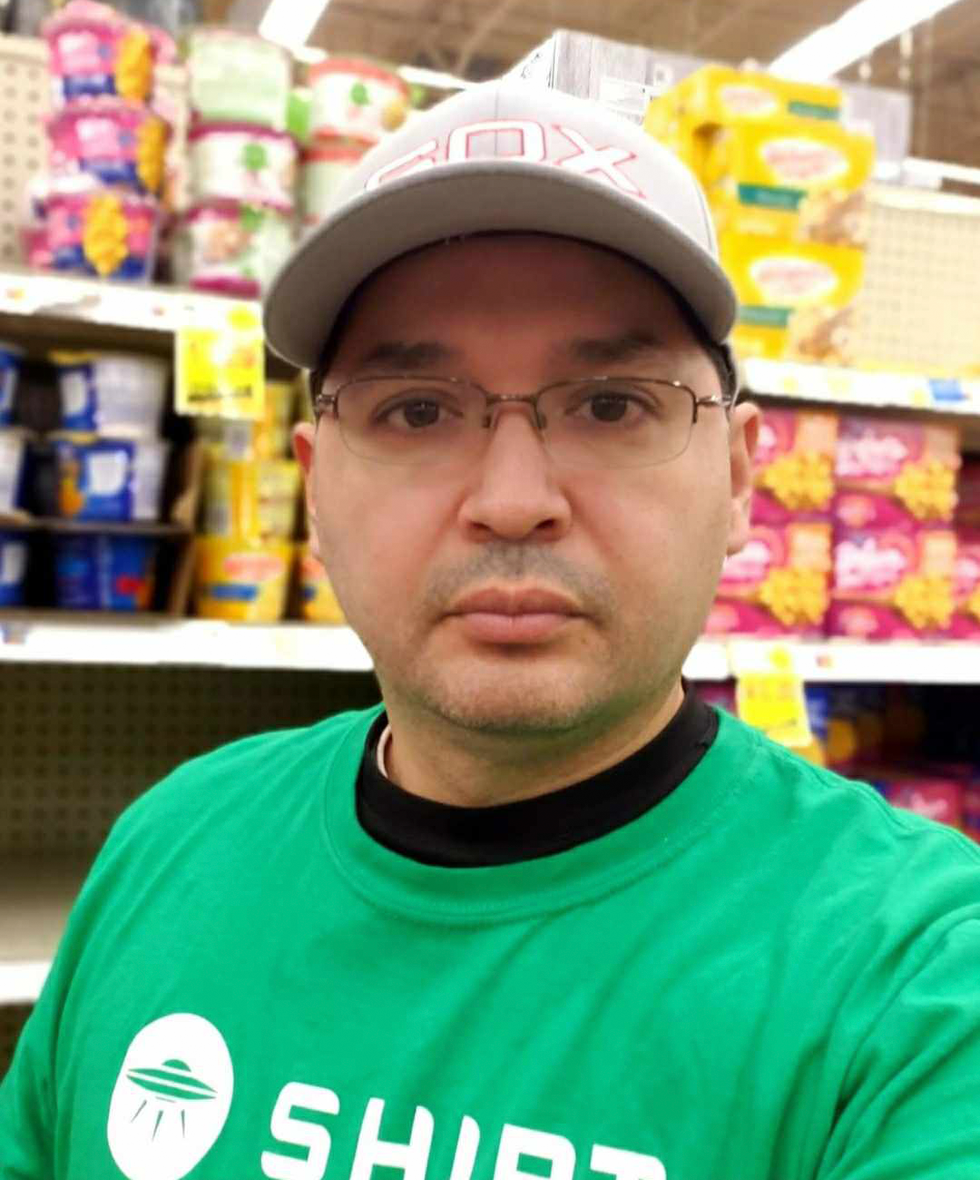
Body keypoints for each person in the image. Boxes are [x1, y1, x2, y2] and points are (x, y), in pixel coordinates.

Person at [2, 80, 979, 1180]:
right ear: (315, 487)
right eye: (414, 410)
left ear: (740, 475)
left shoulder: (920, 985)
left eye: (610, 404)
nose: (512, 499)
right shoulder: (167, 849)